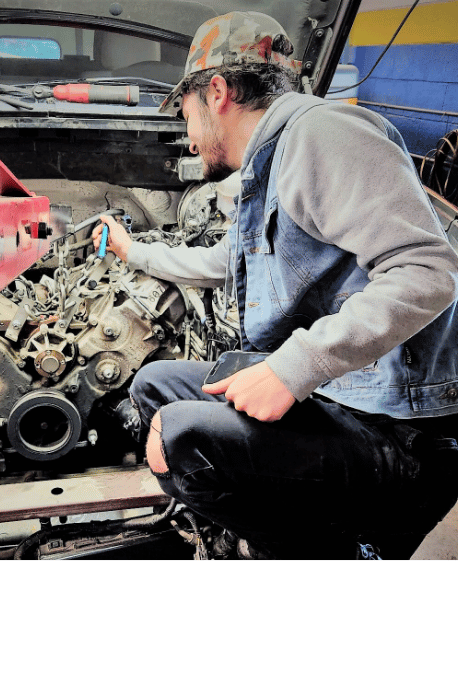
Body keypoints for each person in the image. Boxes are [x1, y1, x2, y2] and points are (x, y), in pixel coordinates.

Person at [93, 11, 458, 560]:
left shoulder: (321, 134)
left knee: (180, 436)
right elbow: (225, 261)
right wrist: (135, 252)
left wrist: (293, 368)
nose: (188, 137)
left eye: (185, 114)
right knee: (155, 383)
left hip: (401, 436)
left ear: (216, 92)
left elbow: (429, 269)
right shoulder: (272, 158)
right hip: (345, 396)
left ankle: (331, 559)